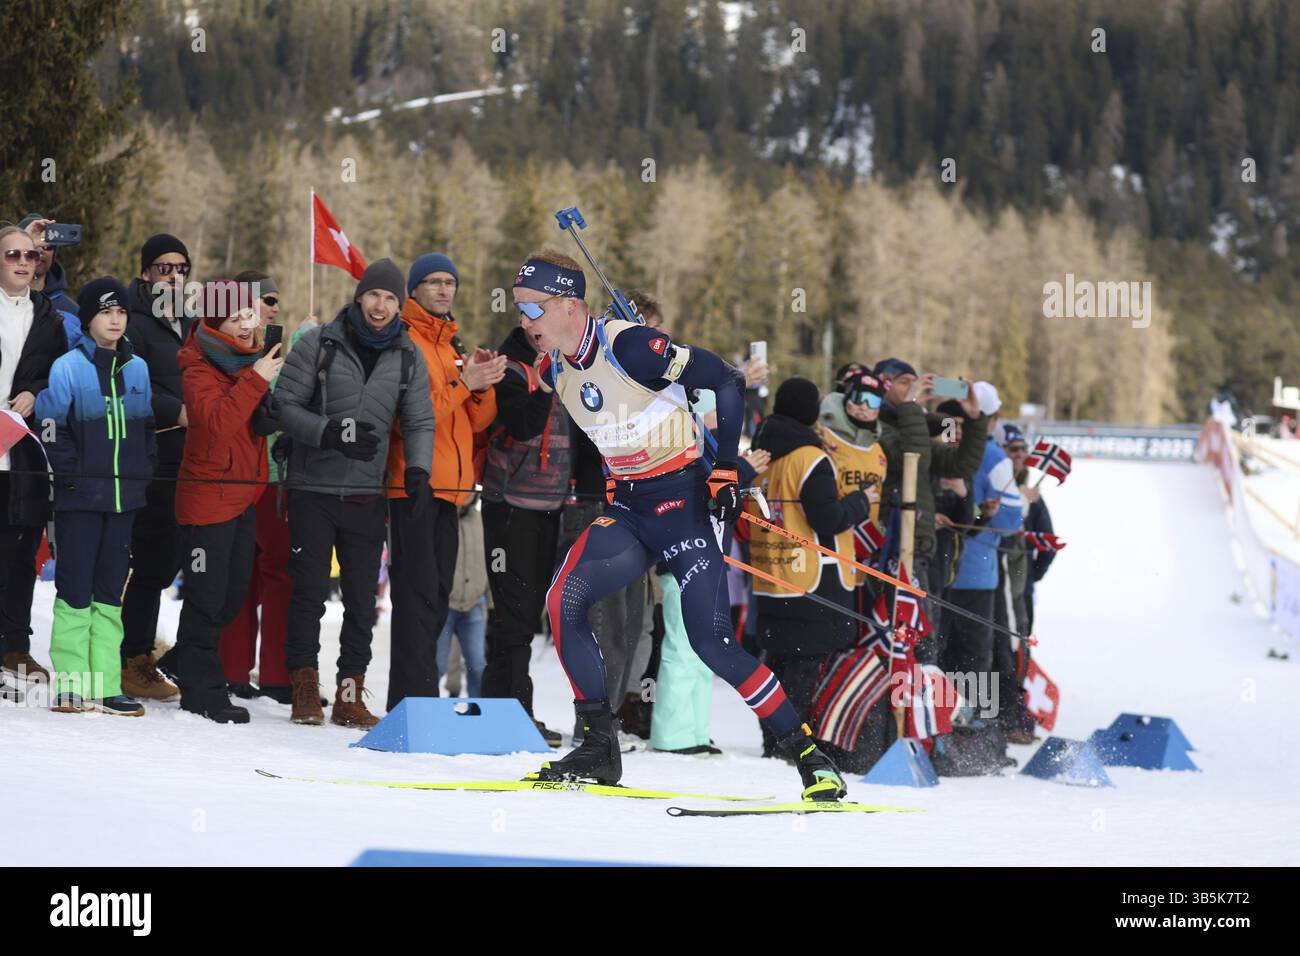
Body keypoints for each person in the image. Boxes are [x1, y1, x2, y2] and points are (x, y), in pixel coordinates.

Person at [515, 249, 848, 800]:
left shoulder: (630, 345)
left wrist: (723, 470)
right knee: (562, 600)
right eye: (520, 308)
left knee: (712, 642)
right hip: (627, 511)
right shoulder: (554, 367)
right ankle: (600, 746)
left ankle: (808, 754)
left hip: (683, 508)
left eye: (533, 308)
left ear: (571, 305)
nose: (524, 320)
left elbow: (729, 381)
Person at [273, 259, 434, 728]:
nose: (380, 306)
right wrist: (329, 433)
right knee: (309, 593)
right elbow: (283, 407)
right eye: (374, 296)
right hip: (312, 488)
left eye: (390, 298)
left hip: (366, 494)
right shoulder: (319, 343)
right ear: (359, 297)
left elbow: (420, 420)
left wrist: (419, 470)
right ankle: (304, 688)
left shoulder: (407, 355)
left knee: (363, 601)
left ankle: (348, 694)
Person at [385, 253, 500, 710]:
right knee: (415, 599)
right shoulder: (402, 341)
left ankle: (417, 698)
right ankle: (410, 702)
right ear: (412, 290)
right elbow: (408, 418)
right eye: (433, 282)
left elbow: (475, 423)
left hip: (452, 492)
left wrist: (482, 385)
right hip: (412, 485)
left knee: (435, 598)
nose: (443, 289)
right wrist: (461, 384)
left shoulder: (450, 344)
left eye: (450, 282)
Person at [36, 278, 154, 714]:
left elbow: (145, 430)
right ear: (89, 319)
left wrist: (143, 473)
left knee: (109, 592)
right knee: (75, 589)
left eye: (121, 311)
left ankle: (104, 684)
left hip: (124, 501)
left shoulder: (137, 368)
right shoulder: (68, 367)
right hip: (79, 499)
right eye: (106, 312)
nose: (116, 319)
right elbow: (51, 428)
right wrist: (73, 474)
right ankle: (71, 683)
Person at [172, 282, 284, 723]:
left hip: (241, 497)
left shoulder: (248, 362)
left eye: (249, 315)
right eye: (235, 316)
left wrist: (267, 409)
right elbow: (217, 424)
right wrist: (256, 380)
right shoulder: (198, 368)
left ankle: (186, 666)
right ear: (216, 321)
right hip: (206, 502)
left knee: (232, 596)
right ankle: (202, 691)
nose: (245, 323)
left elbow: (244, 424)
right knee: (206, 598)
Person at [750, 377, 877, 755]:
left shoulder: (761, 451)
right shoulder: (810, 457)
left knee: (777, 663)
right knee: (804, 666)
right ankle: (793, 744)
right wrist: (860, 501)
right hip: (813, 578)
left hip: (772, 573)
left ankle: (774, 739)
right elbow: (828, 518)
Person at [479, 296, 571, 746]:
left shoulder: (567, 365)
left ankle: (499, 708)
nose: (539, 328)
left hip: (551, 504)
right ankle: (513, 710)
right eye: (530, 319)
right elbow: (521, 426)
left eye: (546, 320)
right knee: (514, 615)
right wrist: (548, 387)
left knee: (523, 615)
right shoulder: (511, 366)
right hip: (509, 504)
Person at [118, 234, 196, 701]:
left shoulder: (191, 319)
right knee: (152, 559)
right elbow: (127, 378)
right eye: (164, 267)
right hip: (151, 453)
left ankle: (159, 654)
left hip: (194, 455)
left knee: (176, 560)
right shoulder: (130, 318)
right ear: (146, 273)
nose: (174, 275)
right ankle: (132, 657)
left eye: (182, 268)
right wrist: (176, 411)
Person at [213, 271, 295, 703]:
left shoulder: (285, 351)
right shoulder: (221, 352)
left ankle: (279, 675)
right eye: (266, 299)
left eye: (276, 300)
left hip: (277, 479)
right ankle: (232, 669)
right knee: (238, 575)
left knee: (280, 575)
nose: (273, 308)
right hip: (236, 477)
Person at [872, 358, 986, 661]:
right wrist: (912, 409)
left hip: (921, 547)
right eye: (903, 381)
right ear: (883, 384)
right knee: (909, 644)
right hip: (891, 544)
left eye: (915, 380)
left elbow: (961, 464)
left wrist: (974, 420)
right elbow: (911, 459)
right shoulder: (875, 426)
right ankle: (905, 703)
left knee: (926, 639)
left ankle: (923, 703)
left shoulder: (911, 422)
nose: (913, 387)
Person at [938, 380, 1022, 772]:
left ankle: (934, 735)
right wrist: (979, 515)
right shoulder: (993, 455)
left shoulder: (938, 446)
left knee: (937, 657)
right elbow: (1011, 519)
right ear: (993, 417)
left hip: (937, 573)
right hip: (975, 574)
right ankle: (977, 743)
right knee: (974, 661)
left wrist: (970, 512)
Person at [0, 224, 66, 699]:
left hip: (21, 453)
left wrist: (34, 393)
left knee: (20, 554)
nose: (24, 262)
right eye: (11, 254)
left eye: (30, 255)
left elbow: (56, 377)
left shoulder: (49, 316)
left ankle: (14, 647)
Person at [436, 491, 489, 698]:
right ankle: (431, 709)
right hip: (446, 605)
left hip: (474, 604)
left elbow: (494, 559)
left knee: (477, 664)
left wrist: (490, 599)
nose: (464, 494)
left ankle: (476, 711)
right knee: (438, 664)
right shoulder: (442, 519)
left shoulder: (481, 521)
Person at [18, 214, 78, 316]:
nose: (40, 250)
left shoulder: (70, 310)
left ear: (54, 255)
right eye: (32, 245)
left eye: (47, 246)